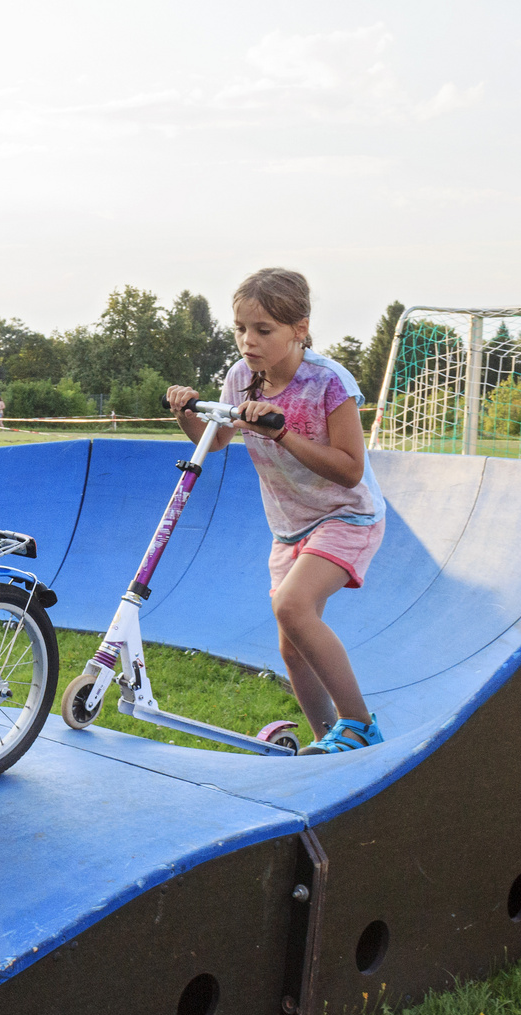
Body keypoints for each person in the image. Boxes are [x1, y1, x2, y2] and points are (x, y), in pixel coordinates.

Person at [165, 267, 386, 755]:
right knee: (292, 642)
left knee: (291, 607)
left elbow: (351, 470)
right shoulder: (242, 377)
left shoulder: (328, 383)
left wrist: (281, 433)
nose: (249, 341)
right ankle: (329, 740)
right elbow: (218, 439)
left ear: (299, 329)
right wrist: (187, 410)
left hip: (346, 516)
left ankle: (359, 724)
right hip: (289, 529)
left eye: (264, 330)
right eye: (241, 329)